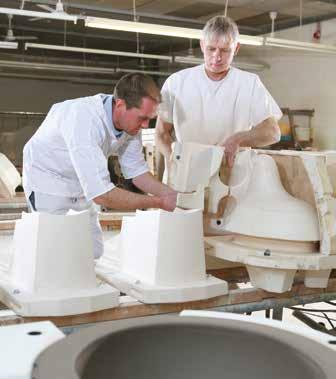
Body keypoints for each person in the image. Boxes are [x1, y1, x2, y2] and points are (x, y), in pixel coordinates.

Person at [23, 73, 177, 259]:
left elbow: (137, 172)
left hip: (80, 181)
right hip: (48, 180)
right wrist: (158, 202)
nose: (145, 125)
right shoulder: (84, 119)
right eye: (142, 118)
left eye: (149, 119)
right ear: (120, 105)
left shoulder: (130, 125)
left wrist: (168, 193)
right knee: (55, 252)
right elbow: (102, 195)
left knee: (93, 251)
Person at [155, 15, 282, 170]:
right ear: (202, 45)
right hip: (187, 169)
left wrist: (238, 139)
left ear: (236, 48)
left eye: (225, 50)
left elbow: (272, 132)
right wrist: (172, 160)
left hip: (232, 171)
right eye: (211, 49)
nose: (217, 57)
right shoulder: (176, 82)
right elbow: (161, 134)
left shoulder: (250, 83)